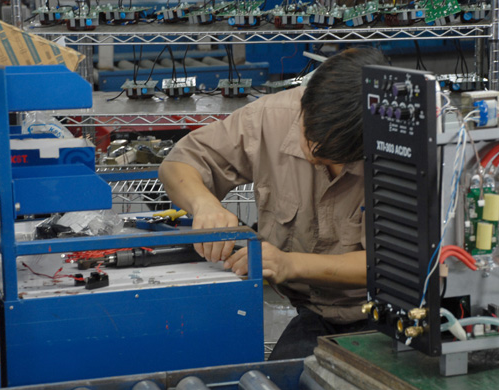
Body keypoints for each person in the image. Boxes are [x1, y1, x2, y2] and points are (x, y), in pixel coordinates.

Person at [159, 47, 389, 360]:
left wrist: (289, 264)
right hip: (314, 313)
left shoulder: (399, 152)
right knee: (280, 381)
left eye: (328, 153)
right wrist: (204, 204)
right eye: (308, 134)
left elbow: (394, 266)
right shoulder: (273, 116)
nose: (310, 152)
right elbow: (179, 162)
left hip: (387, 315)